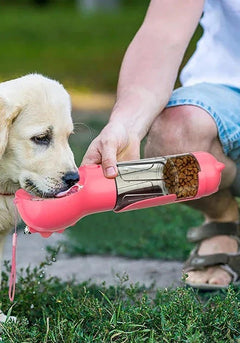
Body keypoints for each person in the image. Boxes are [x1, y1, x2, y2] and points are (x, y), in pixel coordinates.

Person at [82, 0, 240, 289]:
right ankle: (223, 218)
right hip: (228, 86)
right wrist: (126, 125)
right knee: (175, 137)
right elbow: (162, 33)